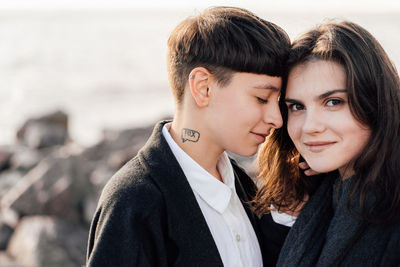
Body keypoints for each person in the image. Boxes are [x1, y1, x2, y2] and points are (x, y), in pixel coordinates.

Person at [86, 6, 291, 267]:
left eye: (279, 101)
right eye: (262, 98)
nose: (277, 118)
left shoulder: (242, 187)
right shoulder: (132, 203)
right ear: (203, 87)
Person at [254, 20, 400, 266]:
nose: (310, 126)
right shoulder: (316, 199)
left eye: (333, 102)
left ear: (375, 102)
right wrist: (286, 214)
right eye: (297, 107)